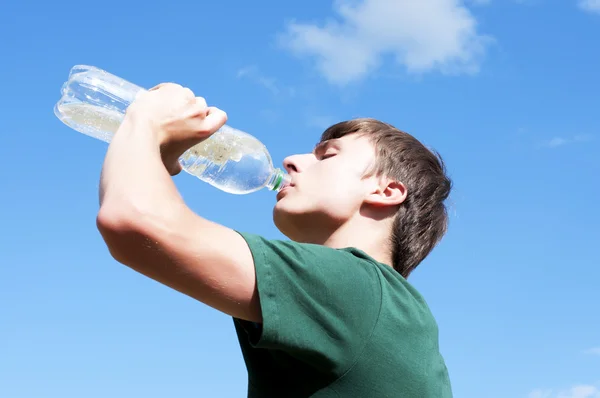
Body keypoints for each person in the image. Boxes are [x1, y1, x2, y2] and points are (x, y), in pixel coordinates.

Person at [96, 82, 454, 397]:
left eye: (327, 155)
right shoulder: (379, 309)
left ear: (386, 190)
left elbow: (134, 220)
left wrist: (145, 120)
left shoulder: (357, 288)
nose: (291, 160)